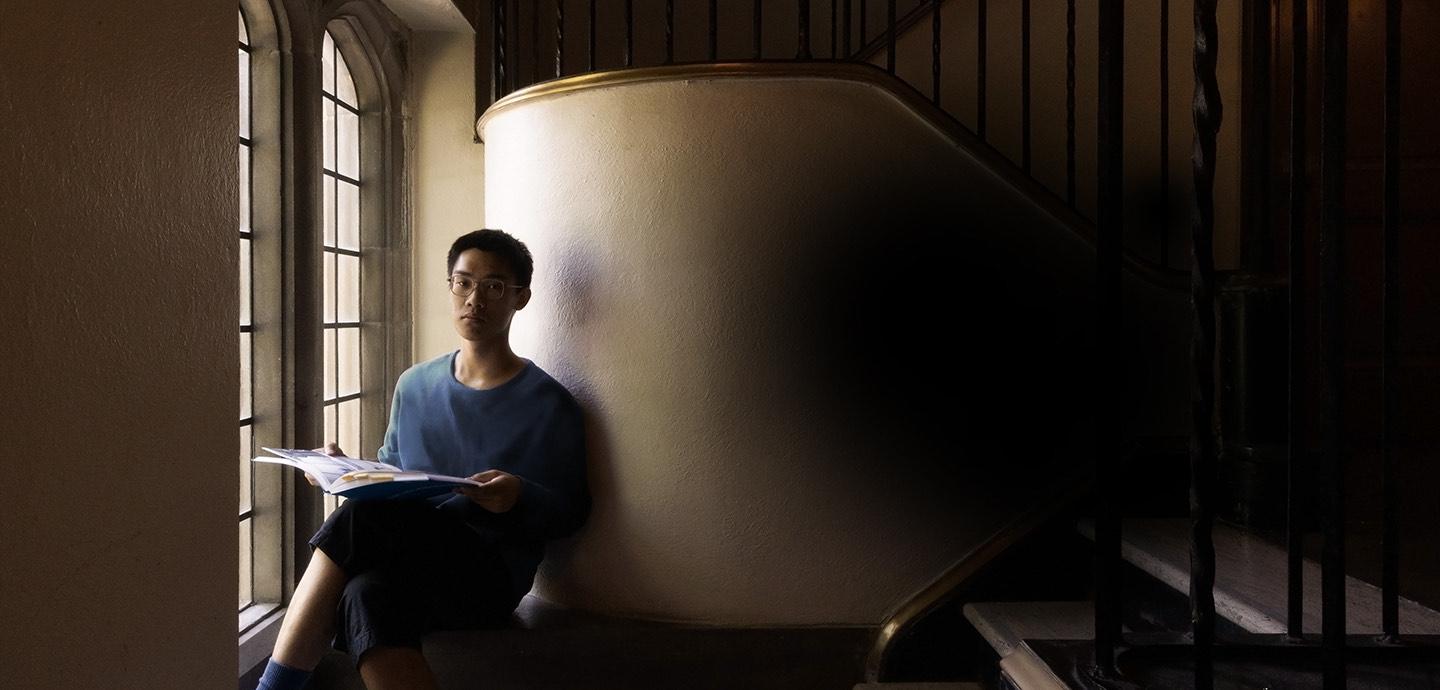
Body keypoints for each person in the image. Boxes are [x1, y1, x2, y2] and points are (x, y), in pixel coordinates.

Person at [255, 229, 590, 690]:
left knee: (361, 522)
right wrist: (341, 469)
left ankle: (273, 688)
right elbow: (392, 474)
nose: (475, 298)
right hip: (407, 561)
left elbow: (573, 511)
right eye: (463, 282)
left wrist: (519, 495)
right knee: (363, 594)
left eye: (494, 286)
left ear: (521, 298)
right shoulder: (414, 385)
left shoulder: (549, 403)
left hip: (485, 577)